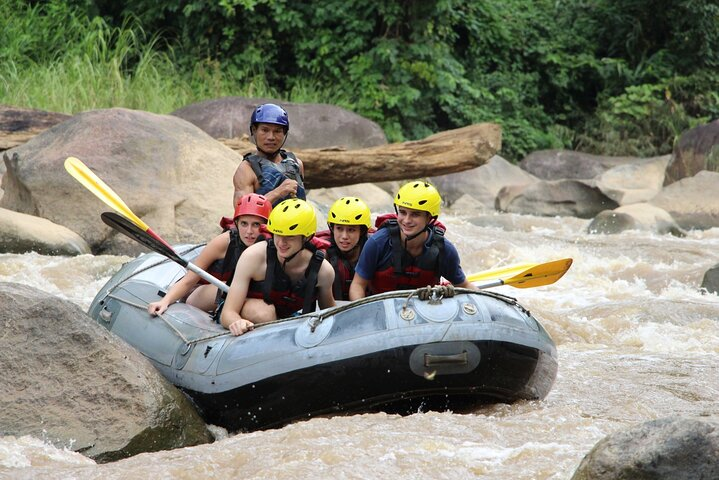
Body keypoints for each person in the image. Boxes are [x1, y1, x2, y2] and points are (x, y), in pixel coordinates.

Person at [221, 198, 336, 336]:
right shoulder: (253, 257)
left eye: (290, 236)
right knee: (264, 314)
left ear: (306, 237)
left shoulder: (323, 272)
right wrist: (237, 322)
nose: (281, 242)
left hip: (287, 318)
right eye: (278, 234)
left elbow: (329, 315)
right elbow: (227, 313)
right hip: (247, 312)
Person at [147, 193, 272, 316]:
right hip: (199, 294)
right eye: (244, 223)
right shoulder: (224, 242)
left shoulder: (275, 245)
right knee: (229, 285)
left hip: (242, 297)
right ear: (237, 223)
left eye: (256, 224)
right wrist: (165, 301)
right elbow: (189, 280)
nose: (249, 231)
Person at [349, 181, 477, 299]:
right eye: (403, 212)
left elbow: (464, 286)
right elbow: (358, 285)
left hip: (424, 315)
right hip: (381, 313)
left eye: (415, 214)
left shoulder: (444, 249)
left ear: (429, 218)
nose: (406, 220)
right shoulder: (378, 243)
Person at [232, 103, 306, 207]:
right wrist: (278, 192)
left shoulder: (296, 164)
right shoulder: (246, 169)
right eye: (265, 130)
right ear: (254, 130)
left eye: (277, 131)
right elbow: (242, 212)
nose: (271, 137)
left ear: (284, 133)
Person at [324, 196, 372, 301]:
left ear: (362, 231)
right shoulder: (323, 251)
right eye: (339, 228)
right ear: (332, 229)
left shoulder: (374, 247)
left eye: (351, 230)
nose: (344, 236)